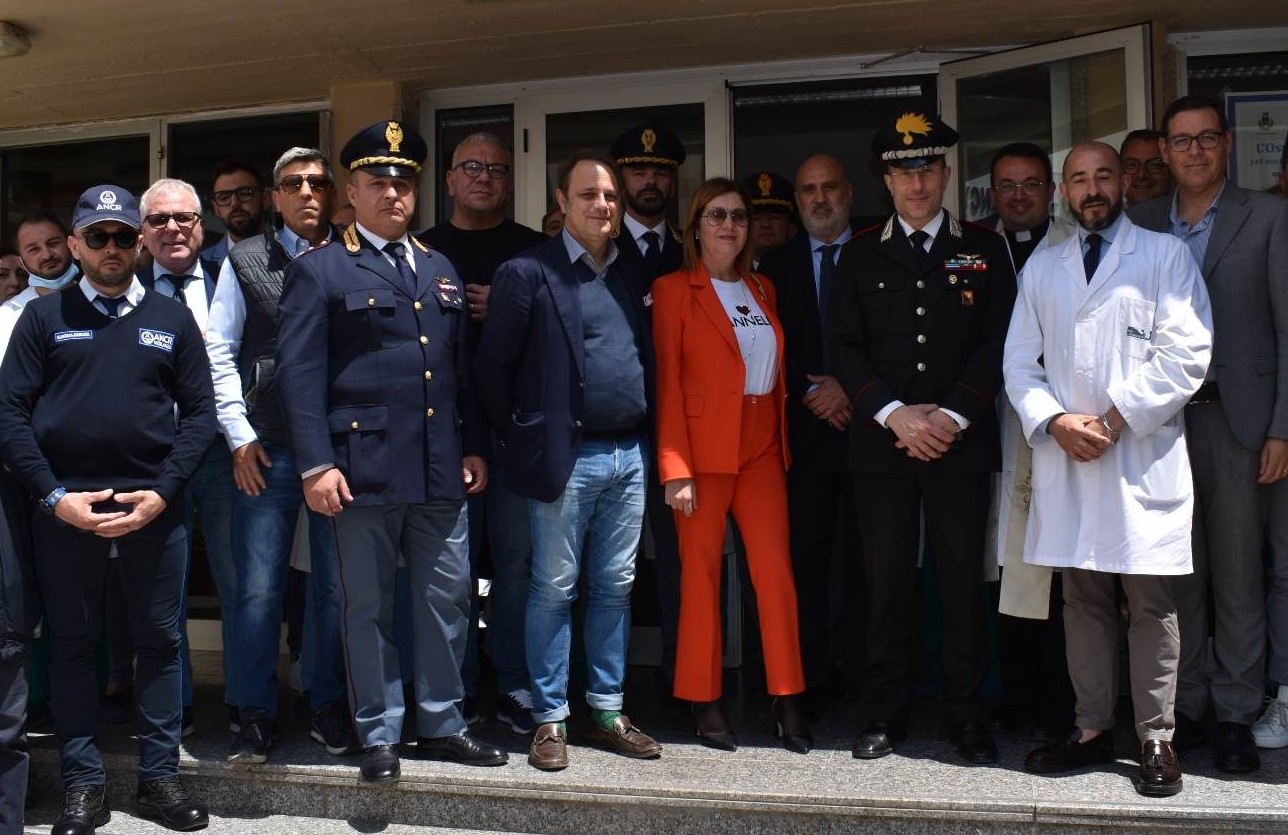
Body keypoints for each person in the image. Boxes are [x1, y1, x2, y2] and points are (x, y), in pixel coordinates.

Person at [276, 120, 505, 784]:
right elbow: (298, 375)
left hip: (439, 467)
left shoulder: (438, 267)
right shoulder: (320, 270)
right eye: (378, 182)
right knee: (365, 606)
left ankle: (442, 722)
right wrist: (316, 463)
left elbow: (458, 370)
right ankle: (378, 730)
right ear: (352, 190)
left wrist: (473, 447)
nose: (393, 194)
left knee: (446, 600)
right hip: (359, 472)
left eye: (403, 182)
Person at [0, 184, 215, 833]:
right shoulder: (43, 316)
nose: (114, 247)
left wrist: (164, 490)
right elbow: (9, 415)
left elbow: (201, 415)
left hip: (155, 504)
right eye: (99, 236)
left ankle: (159, 778)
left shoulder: (171, 317)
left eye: (125, 235)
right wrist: (54, 496)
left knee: (158, 642)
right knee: (72, 645)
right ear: (75, 245)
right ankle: (82, 783)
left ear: (141, 241)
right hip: (67, 509)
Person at [1007, 141, 1213, 798]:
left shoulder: (1164, 256)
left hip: (1137, 455)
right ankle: (1092, 729)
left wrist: (1117, 418)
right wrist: (1058, 421)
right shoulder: (1044, 266)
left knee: (1151, 602)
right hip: (1069, 456)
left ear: (1122, 182)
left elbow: (1187, 353)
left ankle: (1156, 736)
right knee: (1082, 599)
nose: (1092, 189)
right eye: (1079, 180)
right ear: (1064, 191)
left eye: (1103, 176)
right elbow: (1019, 363)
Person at [828, 112, 1015, 764]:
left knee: (962, 584)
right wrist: (895, 415)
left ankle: (967, 713)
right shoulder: (858, 252)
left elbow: (1000, 342)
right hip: (883, 450)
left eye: (928, 169)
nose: (917, 183)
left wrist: (951, 417)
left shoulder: (985, 249)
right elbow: (844, 347)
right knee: (886, 584)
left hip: (960, 448)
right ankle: (885, 709)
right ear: (885, 179)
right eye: (904, 172)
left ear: (944, 174)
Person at [476, 150, 662, 771]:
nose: (602, 206)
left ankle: (608, 709)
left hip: (630, 453)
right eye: (588, 195)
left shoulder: (632, 271)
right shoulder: (526, 272)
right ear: (561, 202)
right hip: (564, 458)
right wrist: (524, 436)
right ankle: (548, 718)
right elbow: (493, 371)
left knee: (615, 587)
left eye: (609, 196)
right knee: (553, 588)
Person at [1129, 95, 1288, 772]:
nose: (1194, 152)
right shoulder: (1140, 223)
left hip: (1238, 422)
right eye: (1181, 141)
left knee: (1237, 573)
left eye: (1207, 139)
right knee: (1175, 573)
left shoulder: (1271, 216)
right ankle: (1183, 704)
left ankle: (1234, 708)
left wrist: (1281, 427)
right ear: (1163, 151)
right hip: (1159, 427)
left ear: (1225, 145)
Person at [205, 146, 356, 763]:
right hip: (267, 448)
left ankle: (323, 701)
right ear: (275, 198)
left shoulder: (356, 257)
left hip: (338, 449)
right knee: (259, 587)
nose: (307, 194)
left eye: (318, 183)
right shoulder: (242, 260)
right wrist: (238, 435)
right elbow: (218, 350)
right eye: (292, 184)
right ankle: (252, 712)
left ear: (333, 193)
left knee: (330, 586)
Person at [653, 177, 810, 753]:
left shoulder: (762, 287)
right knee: (701, 579)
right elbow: (668, 382)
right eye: (716, 215)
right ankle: (704, 697)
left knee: (775, 575)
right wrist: (675, 466)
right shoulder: (673, 290)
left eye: (738, 216)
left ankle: (788, 695)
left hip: (763, 445)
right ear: (695, 226)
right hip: (703, 452)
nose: (729, 225)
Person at [417, 132, 546, 734]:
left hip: (515, 436)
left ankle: (516, 683)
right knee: (452, 574)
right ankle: (459, 688)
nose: (484, 177)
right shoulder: (420, 250)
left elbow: (561, 339)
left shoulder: (536, 253)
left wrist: (513, 307)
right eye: (471, 166)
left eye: (496, 169)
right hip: (443, 438)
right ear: (448, 179)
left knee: (519, 568)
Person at [984, 141, 1077, 740]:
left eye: (1032, 183)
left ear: (1051, 190)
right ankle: (1010, 696)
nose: (1020, 196)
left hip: (1060, 420)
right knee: (1003, 566)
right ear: (991, 194)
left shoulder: (1073, 245)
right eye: (1008, 185)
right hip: (989, 422)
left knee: (1062, 570)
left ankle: (1063, 701)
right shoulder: (973, 247)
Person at [758, 154, 857, 705]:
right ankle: (812, 678)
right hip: (803, 438)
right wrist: (810, 389)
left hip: (874, 433)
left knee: (871, 566)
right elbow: (765, 344)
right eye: (809, 191)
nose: (820, 199)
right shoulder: (774, 267)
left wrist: (851, 388)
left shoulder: (876, 249)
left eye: (829, 188)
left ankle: (869, 678)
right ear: (798, 201)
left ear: (850, 192)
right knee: (808, 563)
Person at [136, 178, 232, 735]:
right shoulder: (123, 288)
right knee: (161, 591)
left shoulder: (230, 279)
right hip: (153, 458)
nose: (173, 228)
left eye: (185, 218)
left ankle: (248, 708)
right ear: (144, 233)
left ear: (202, 225)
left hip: (223, 454)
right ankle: (175, 709)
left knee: (237, 580)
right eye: (159, 220)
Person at [610, 122, 687, 691]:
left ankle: (682, 674)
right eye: (639, 170)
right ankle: (600, 684)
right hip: (618, 429)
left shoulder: (692, 251)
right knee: (606, 565)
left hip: (683, 429)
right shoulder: (601, 254)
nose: (651, 179)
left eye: (660, 170)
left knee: (684, 564)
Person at [201, 159, 267, 265]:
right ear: (216, 208)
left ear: (265, 199)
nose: (234, 203)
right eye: (224, 197)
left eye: (245, 193)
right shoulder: (202, 266)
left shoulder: (291, 256)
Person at [742, 171, 796, 268]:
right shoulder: (728, 273)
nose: (765, 224)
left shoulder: (806, 269)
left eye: (775, 217)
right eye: (756, 219)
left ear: (791, 228)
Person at [1120, 130, 1172, 207]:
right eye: (1132, 165)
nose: (1142, 175)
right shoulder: (1105, 218)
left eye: (1154, 165)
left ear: (1170, 170)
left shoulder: (1189, 217)